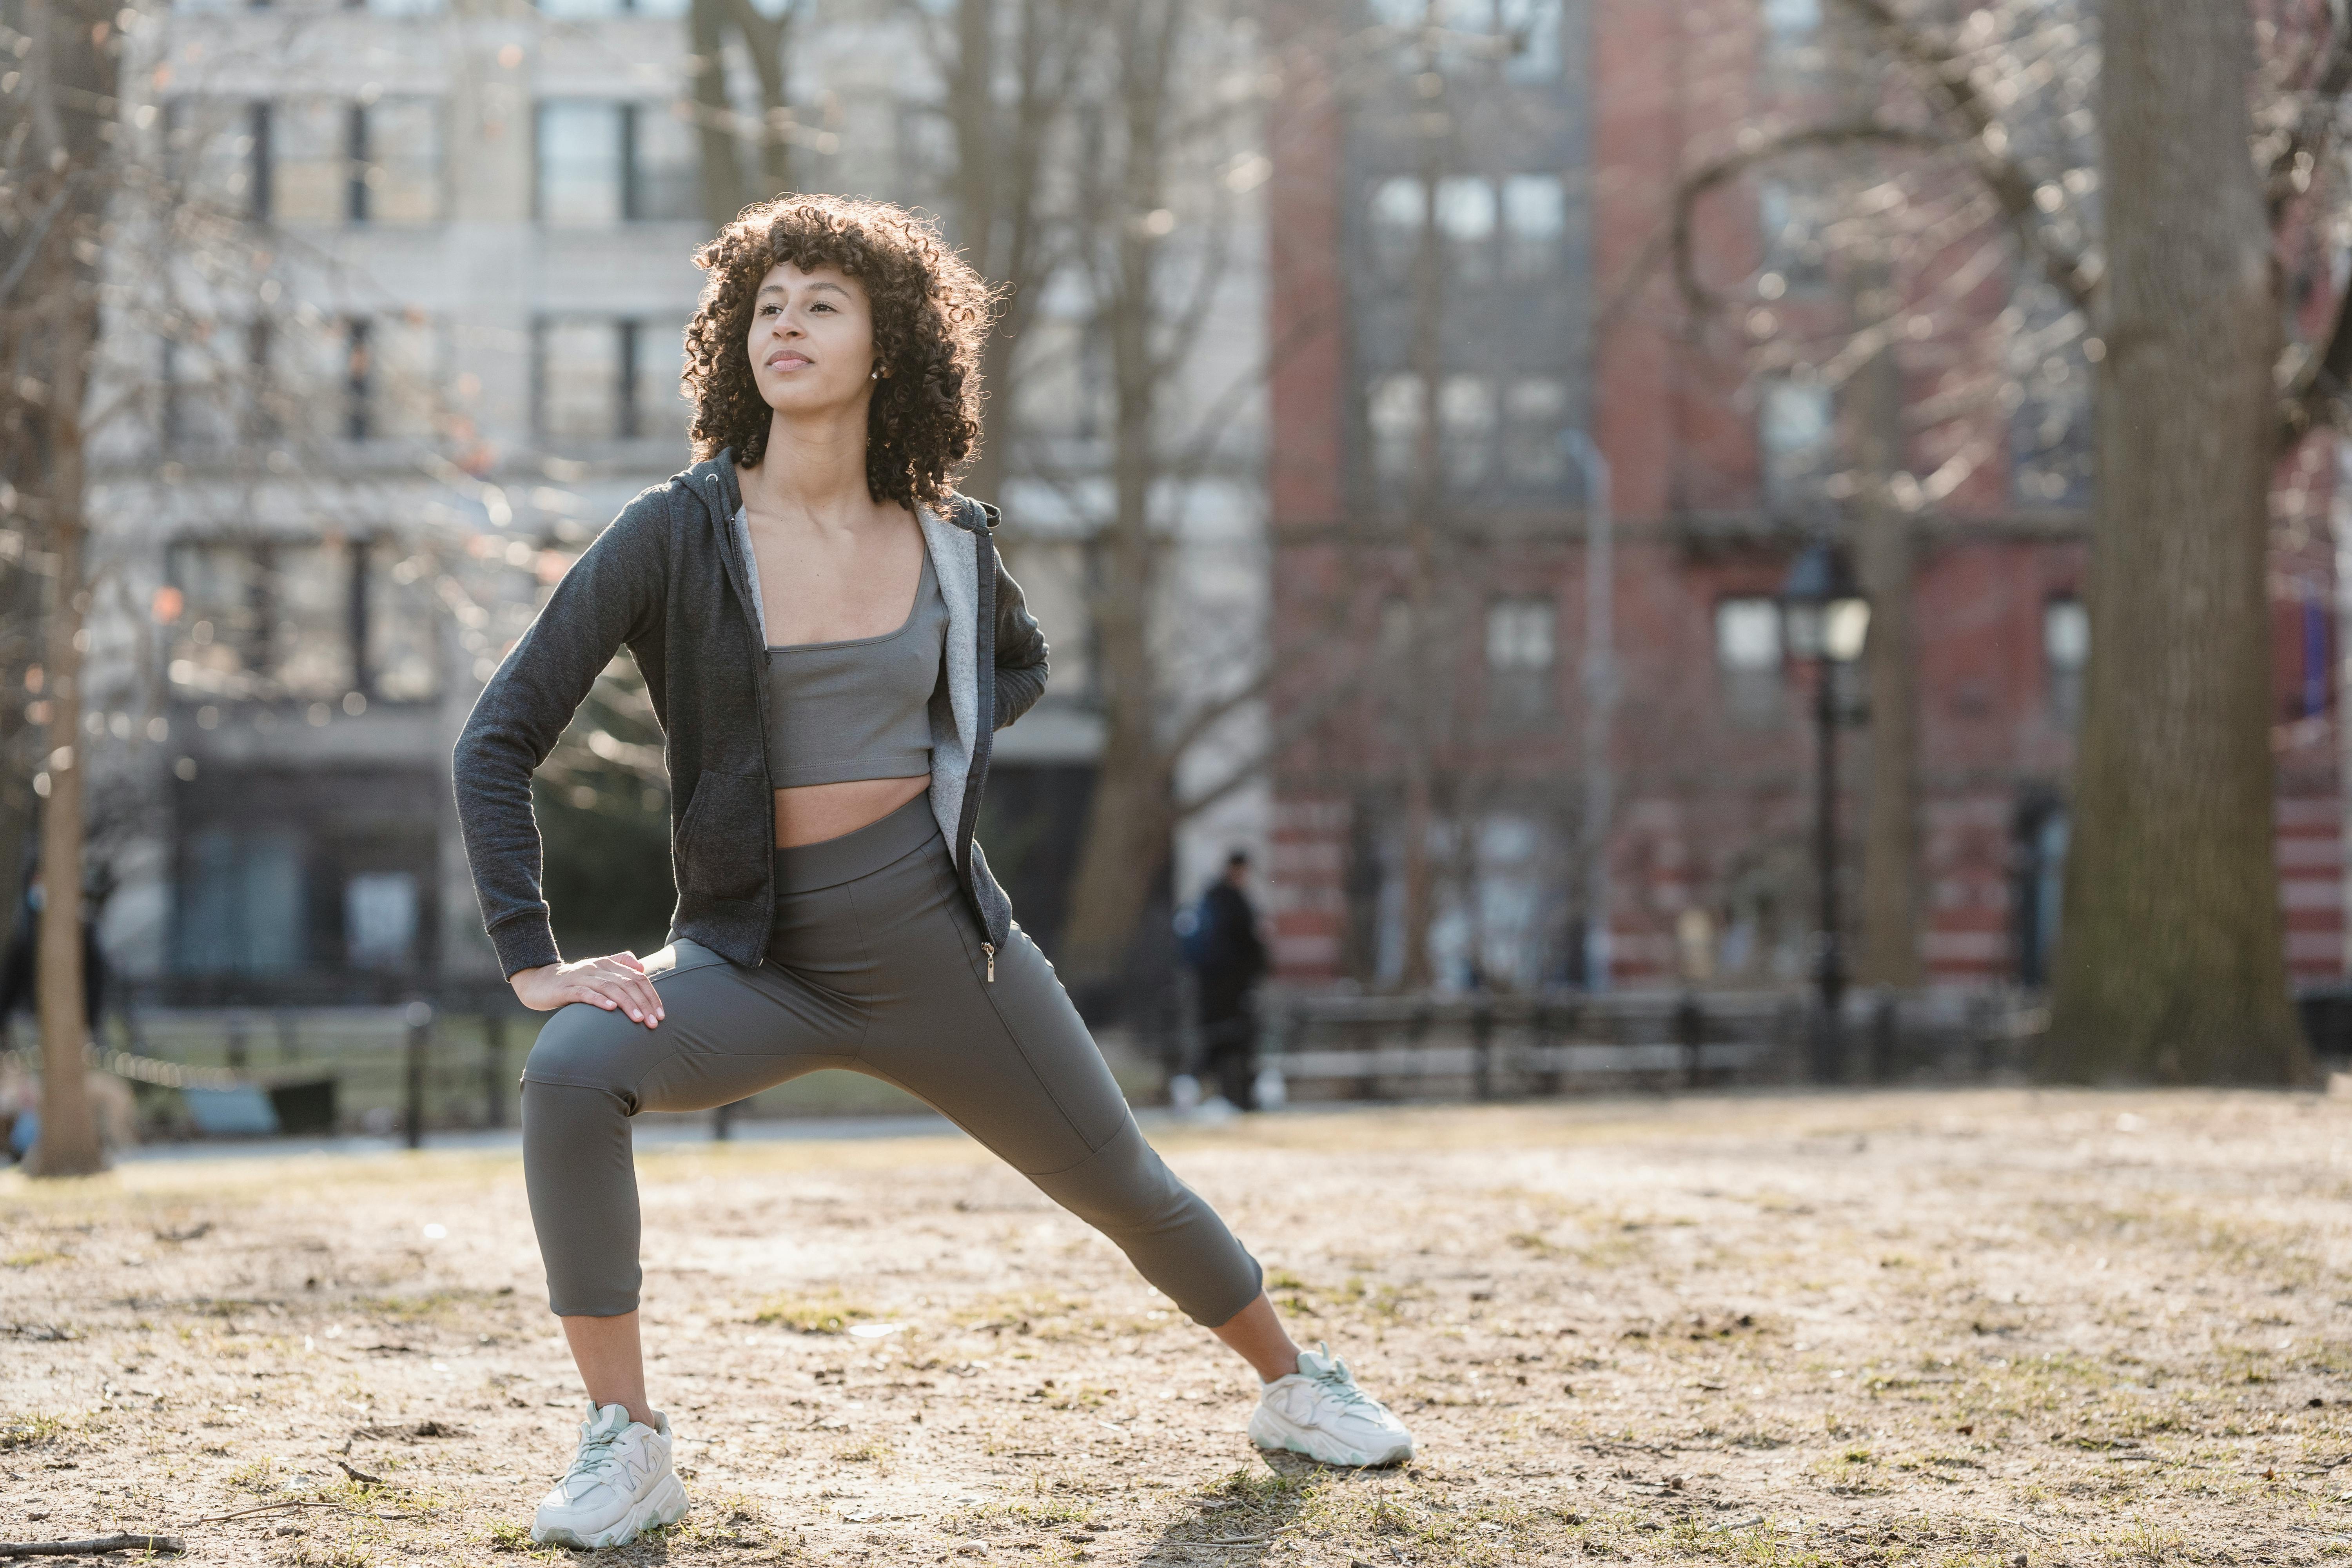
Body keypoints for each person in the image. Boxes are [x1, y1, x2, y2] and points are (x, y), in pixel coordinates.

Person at [453, 195, 1414, 1552]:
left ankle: (1294, 1386)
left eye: (822, 304)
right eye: (766, 305)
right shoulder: (675, 534)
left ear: (890, 343)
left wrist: (936, 754)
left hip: (941, 947)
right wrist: (532, 955)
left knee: (1126, 1182)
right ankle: (629, 1442)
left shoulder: (951, 543)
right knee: (570, 1072)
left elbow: (1016, 666)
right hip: (750, 957)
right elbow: (497, 738)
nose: (785, 323)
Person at [1190, 850, 1268, 1110]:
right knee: (1237, 1042)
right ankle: (1239, 1099)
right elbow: (1247, 944)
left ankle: (1210, 1094)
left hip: (1211, 986)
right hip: (1233, 988)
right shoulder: (1233, 902)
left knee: (1216, 1042)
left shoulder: (1212, 899)